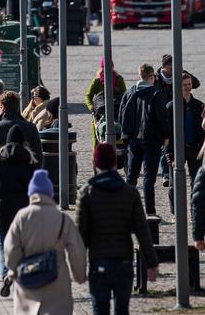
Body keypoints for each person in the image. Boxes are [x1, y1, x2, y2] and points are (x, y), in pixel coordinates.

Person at [76, 142, 159, 315]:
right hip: (123, 263)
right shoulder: (129, 193)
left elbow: (79, 238)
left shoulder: (87, 193)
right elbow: (142, 231)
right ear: (114, 163)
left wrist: (77, 267)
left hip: (99, 264)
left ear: (94, 163)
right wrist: (152, 263)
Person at [4, 169, 87, 315]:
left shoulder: (22, 217)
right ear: (50, 193)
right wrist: (79, 275)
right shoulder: (62, 219)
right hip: (55, 277)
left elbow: (10, 248)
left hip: (28, 279)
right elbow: (77, 249)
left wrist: (12, 270)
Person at [0, 124, 37, 295]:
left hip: (3, 208)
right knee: (22, 244)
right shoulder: (30, 161)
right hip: (24, 209)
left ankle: (5, 273)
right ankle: (20, 274)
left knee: (4, 245)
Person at [119, 62, 169, 216]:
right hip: (151, 140)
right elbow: (162, 117)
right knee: (149, 177)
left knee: (131, 176)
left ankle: (126, 208)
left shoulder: (129, 93)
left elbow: (121, 115)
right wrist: (166, 136)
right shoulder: (155, 94)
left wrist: (126, 136)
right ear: (151, 76)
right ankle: (150, 211)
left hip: (133, 141)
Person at [167, 71, 205, 214]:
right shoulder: (171, 107)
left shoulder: (199, 105)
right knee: (174, 183)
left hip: (195, 148)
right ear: (178, 86)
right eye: (184, 85)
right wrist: (169, 153)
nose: (188, 87)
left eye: (189, 84)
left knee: (197, 182)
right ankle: (175, 213)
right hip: (177, 149)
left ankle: (194, 211)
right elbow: (167, 133)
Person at [0, 91, 43, 166]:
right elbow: (38, 157)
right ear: (17, 107)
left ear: (2, 106)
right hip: (26, 174)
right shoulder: (31, 128)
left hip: (2, 174)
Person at [86, 59, 127, 148]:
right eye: (105, 67)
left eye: (110, 66)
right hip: (100, 112)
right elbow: (88, 95)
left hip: (116, 109)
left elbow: (125, 95)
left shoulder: (119, 79)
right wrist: (91, 107)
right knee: (97, 138)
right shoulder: (97, 81)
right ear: (102, 68)